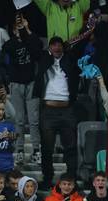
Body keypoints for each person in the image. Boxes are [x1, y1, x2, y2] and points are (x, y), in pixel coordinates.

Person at [33, 36, 79, 189]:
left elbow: (79, 47)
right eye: (54, 45)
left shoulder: (70, 60)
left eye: (59, 45)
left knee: (71, 147)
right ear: (49, 48)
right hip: (48, 110)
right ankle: (47, 179)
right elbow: (30, 43)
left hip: (68, 110)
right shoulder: (44, 59)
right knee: (46, 148)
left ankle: (71, 179)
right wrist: (23, 28)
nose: (57, 48)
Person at [3, 13, 43, 166]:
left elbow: (38, 49)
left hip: (32, 84)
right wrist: (18, 35)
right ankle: (19, 150)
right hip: (16, 84)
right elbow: (8, 48)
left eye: (22, 27)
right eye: (17, 28)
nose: (20, 30)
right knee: (18, 119)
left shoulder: (31, 40)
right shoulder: (11, 43)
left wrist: (27, 30)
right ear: (13, 30)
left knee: (34, 120)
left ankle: (36, 151)